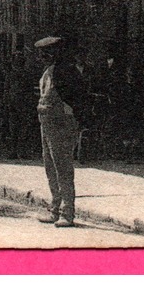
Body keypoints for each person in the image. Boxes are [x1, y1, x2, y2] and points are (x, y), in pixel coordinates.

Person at [35, 35, 88, 228]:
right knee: (50, 166)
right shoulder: (49, 71)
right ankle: (55, 209)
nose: (41, 57)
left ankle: (67, 212)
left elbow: (79, 98)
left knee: (63, 168)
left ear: (55, 53)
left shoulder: (68, 72)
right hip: (47, 123)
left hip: (61, 124)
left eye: (45, 53)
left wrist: (72, 116)